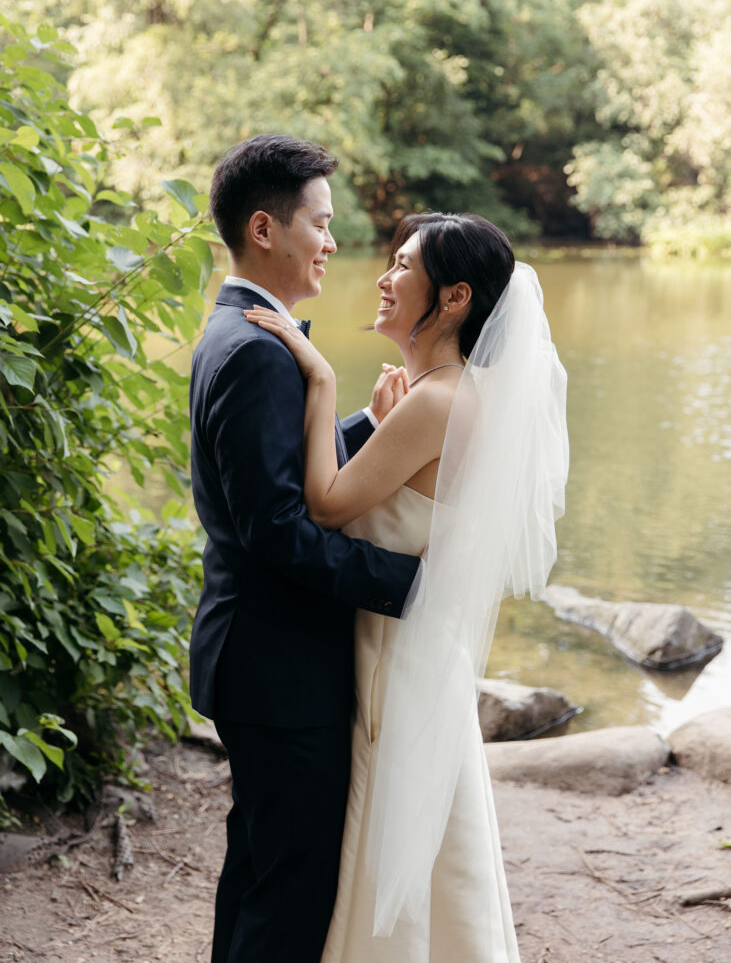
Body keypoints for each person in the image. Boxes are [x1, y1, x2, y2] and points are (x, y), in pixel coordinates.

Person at [245, 211, 569, 961]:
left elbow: (324, 505)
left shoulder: (435, 401)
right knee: (436, 840)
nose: (385, 280)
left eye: (402, 266)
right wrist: (378, 419)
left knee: (395, 836)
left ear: (453, 299)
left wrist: (319, 378)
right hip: (424, 652)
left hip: (392, 657)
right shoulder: (458, 394)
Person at [188, 133, 421, 963]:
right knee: (288, 896)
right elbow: (280, 534)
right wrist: (414, 581)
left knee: (258, 871)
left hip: (252, 656)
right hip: (279, 669)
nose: (331, 242)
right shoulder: (258, 351)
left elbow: (266, 472)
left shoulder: (240, 332)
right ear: (264, 229)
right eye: (318, 224)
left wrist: (361, 425)